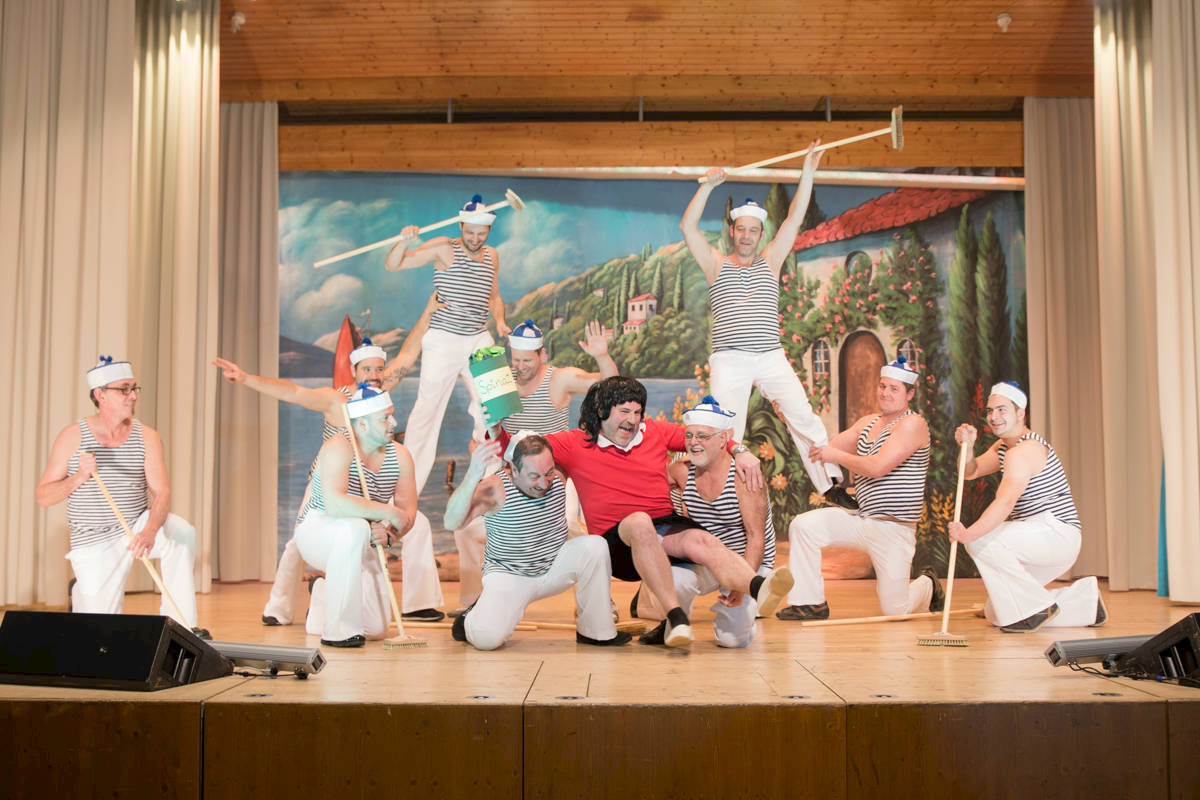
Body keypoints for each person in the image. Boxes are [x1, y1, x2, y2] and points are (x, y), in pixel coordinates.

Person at [492, 376, 793, 649]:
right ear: (602, 410)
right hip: (616, 542)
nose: (633, 420)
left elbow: (704, 438)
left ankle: (759, 587)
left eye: (637, 412)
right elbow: (518, 448)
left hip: (663, 527)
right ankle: (676, 616)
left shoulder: (655, 432)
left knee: (700, 540)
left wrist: (740, 451)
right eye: (624, 411)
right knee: (639, 522)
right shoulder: (575, 443)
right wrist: (495, 426)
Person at [213, 293, 444, 624]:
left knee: (415, 522)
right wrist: (247, 379)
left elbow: (409, 352)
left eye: (379, 369)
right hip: (331, 482)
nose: (374, 375)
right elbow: (293, 392)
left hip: (371, 480)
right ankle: (278, 607)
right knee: (298, 543)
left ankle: (417, 604)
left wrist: (429, 311)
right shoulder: (337, 400)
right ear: (353, 370)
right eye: (367, 369)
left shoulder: (382, 393)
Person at [680, 144, 854, 509]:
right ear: (732, 231)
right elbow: (688, 226)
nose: (746, 236)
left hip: (770, 356)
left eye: (753, 230)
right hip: (730, 359)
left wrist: (808, 171)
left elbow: (794, 218)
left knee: (804, 417)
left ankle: (830, 484)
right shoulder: (715, 264)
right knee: (725, 429)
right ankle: (720, 497)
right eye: (741, 229)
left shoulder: (770, 260)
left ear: (761, 234)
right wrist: (708, 186)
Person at [452, 317, 618, 613]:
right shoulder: (501, 382)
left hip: (552, 477)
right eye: (515, 360)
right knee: (466, 529)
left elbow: (609, 387)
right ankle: (474, 604)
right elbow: (486, 435)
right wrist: (482, 445)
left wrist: (602, 356)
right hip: (512, 475)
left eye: (527, 360)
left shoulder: (560, 379)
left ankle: (598, 601)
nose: (520, 366)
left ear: (542, 354)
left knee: (570, 528)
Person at [36, 356, 198, 629]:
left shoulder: (147, 436)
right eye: (124, 389)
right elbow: (44, 496)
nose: (133, 396)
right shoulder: (72, 436)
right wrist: (79, 477)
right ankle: (81, 592)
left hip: (136, 525)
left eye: (134, 388)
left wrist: (149, 531)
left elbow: (162, 492)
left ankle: (182, 625)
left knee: (181, 533)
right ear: (100, 395)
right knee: (100, 630)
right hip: (93, 538)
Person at [776, 356, 942, 620]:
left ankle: (929, 584)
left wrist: (835, 456)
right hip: (861, 519)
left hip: (893, 528)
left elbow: (877, 467)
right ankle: (809, 603)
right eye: (882, 386)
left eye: (894, 389)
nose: (885, 393)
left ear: (909, 394)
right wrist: (790, 420)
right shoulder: (867, 423)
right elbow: (821, 449)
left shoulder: (913, 424)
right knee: (803, 526)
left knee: (895, 610)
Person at [443, 433, 628, 650]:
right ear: (513, 470)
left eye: (548, 473)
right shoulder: (494, 488)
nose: (543, 483)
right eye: (533, 476)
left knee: (595, 546)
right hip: (511, 575)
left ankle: (596, 631)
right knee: (487, 640)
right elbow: (451, 522)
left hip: (554, 567)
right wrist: (472, 476)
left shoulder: (559, 475)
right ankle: (471, 617)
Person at [950, 382, 1105, 632]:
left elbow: (1005, 502)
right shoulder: (1004, 447)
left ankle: (1032, 611)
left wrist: (968, 535)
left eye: (1002, 409)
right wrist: (966, 447)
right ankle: (1086, 603)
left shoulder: (1024, 451)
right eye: (990, 410)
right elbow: (970, 471)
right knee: (997, 612)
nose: (994, 416)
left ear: (1020, 413)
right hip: (1039, 536)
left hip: (1055, 534)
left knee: (980, 541)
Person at [385, 194, 511, 496]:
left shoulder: (492, 256)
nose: (475, 239)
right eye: (470, 232)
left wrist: (500, 322)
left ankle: (493, 481)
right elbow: (393, 264)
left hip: (479, 336)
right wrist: (403, 241)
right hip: (443, 339)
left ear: (489, 231)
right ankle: (406, 490)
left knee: (499, 403)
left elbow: (494, 297)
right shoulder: (444, 247)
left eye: (482, 233)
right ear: (461, 226)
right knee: (426, 412)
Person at [635, 397, 778, 648]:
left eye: (702, 436)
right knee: (673, 576)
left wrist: (742, 584)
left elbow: (756, 538)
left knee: (731, 641)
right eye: (689, 436)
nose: (693, 442)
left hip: (747, 560)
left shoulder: (744, 477)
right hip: (706, 558)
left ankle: (758, 592)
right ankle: (674, 622)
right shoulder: (681, 471)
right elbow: (643, 485)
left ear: (724, 439)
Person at [293, 385, 417, 647]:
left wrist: (390, 535)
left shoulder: (400, 456)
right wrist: (388, 512)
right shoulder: (338, 446)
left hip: (363, 537)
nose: (394, 423)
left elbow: (407, 514)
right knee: (354, 527)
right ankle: (339, 632)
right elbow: (335, 505)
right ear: (361, 424)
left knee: (376, 628)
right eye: (385, 418)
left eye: (392, 415)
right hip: (318, 530)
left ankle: (322, 595)